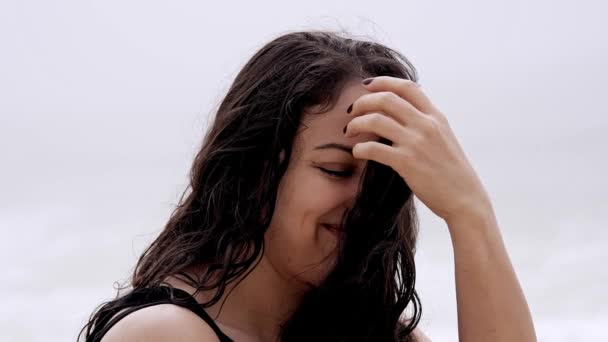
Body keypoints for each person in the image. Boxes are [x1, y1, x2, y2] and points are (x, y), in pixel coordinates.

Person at [79, 30, 536, 342]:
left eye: (384, 177)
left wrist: (470, 213)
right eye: (336, 170)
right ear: (255, 168)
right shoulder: (166, 334)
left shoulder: (376, 332)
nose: (363, 203)